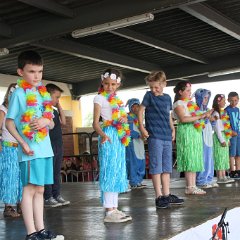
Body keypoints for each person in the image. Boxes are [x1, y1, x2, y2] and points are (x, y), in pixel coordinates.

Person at [6, 50, 64, 240]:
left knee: (40, 189)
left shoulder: (43, 94)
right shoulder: (19, 94)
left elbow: (52, 122)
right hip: (30, 149)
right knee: (29, 189)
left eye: (39, 71)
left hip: (45, 148)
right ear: (20, 72)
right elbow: (9, 122)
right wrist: (22, 143)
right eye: (32, 71)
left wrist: (45, 122)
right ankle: (31, 232)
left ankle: (40, 229)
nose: (36, 76)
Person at [138, 71, 184, 209]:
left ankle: (167, 194)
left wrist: (173, 129)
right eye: (151, 87)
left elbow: (168, 115)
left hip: (166, 136)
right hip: (155, 136)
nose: (153, 90)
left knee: (166, 168)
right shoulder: (149, 96)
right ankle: (158, 196)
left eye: (156, 87)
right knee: (156, 167)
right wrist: (142, 127)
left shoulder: (167, 98)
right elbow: (140, 111)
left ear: (164, 84)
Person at [92, 68, 132, 223]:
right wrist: (104, 135)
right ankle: (109, 210)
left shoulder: (117, 100)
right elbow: (95, 123)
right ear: (102, 82)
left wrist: (124, 119)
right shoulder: (99, 98)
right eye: (107, 84)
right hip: (108, 135)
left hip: (119, 135)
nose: (110, 87)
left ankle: (114, 208)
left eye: (113, 84)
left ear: (118, 85)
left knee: (117, 170)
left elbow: (123, 118)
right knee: (109, 170)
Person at [173, 80, 212, 195]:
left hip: (195, 132)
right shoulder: (178, 104)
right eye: (188, 90)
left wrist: (205, 116)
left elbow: (196, 118)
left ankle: (193, 185)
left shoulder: (191, 104)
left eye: (190, 90)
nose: (190, 93)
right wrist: (202, 115)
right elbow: (183, 119)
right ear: (180, 92)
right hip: (186, 132)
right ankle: (189, 186)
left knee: (194, 158)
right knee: (189, 157)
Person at [44, 83, 70, 207]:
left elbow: (64, 122)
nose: (58, 100)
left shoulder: (54, 110)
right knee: (49, 171)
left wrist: (58, 104)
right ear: (48, 96)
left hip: (58, 144)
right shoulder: (44, 109)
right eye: (56, 97)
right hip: (49, 144)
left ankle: (56, 194)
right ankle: (48, 196)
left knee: (56, 171)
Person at [0, 83, 22, 218]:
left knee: (20, 177)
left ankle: (21, 203)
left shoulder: (20, 111)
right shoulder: (3, 109)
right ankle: (8, 206)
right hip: (8, 148)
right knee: (9, 176)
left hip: (20, 148)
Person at [194, 89, 218, 188]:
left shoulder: (207, 109)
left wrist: (213, 120)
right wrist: (206, 117)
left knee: (209, 158)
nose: (206, 100)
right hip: (201, 136)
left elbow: (211, 124)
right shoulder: (195, 109)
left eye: (207, 98)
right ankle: (201, 180)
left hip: (208, 136)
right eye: (204, 98)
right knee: (203, 158)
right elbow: (197, 124)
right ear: (199, 98)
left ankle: (209, 178)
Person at [212, 94, 234, 184]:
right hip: (219, 137)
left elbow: (226, 127)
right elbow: (217, 128)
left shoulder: (223, 113)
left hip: (224, 135)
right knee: (219, 157)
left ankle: (224, 175)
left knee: (224, 157)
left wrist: (228, 139)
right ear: (218, 101)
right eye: (223, 101)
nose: (225, 102)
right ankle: (219, 177)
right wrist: (222, 140)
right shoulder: (216, 113)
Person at [126, 98, 146, 189]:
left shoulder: (140, 118)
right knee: (133, 162)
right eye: (133, 106)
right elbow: (128, 131)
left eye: (137, 106)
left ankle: (139, 180)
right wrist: (139, 135)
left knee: (141, 161)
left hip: (140, 143)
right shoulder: (128, 118)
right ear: (130, 108)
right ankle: (134, 182)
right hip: (132, 144)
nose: (135, 108)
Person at [225, 92, 240, 179]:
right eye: (231, 101)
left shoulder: (237, 109)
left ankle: (238, 170)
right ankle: (232, 171)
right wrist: (230, 132)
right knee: (232, 153)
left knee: (238, 153)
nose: (234, 102)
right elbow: (225, 124)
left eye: (235, 100)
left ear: (238, 100)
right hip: (232, 134)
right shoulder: (226, 110)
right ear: (228, 100)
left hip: (238, 133)